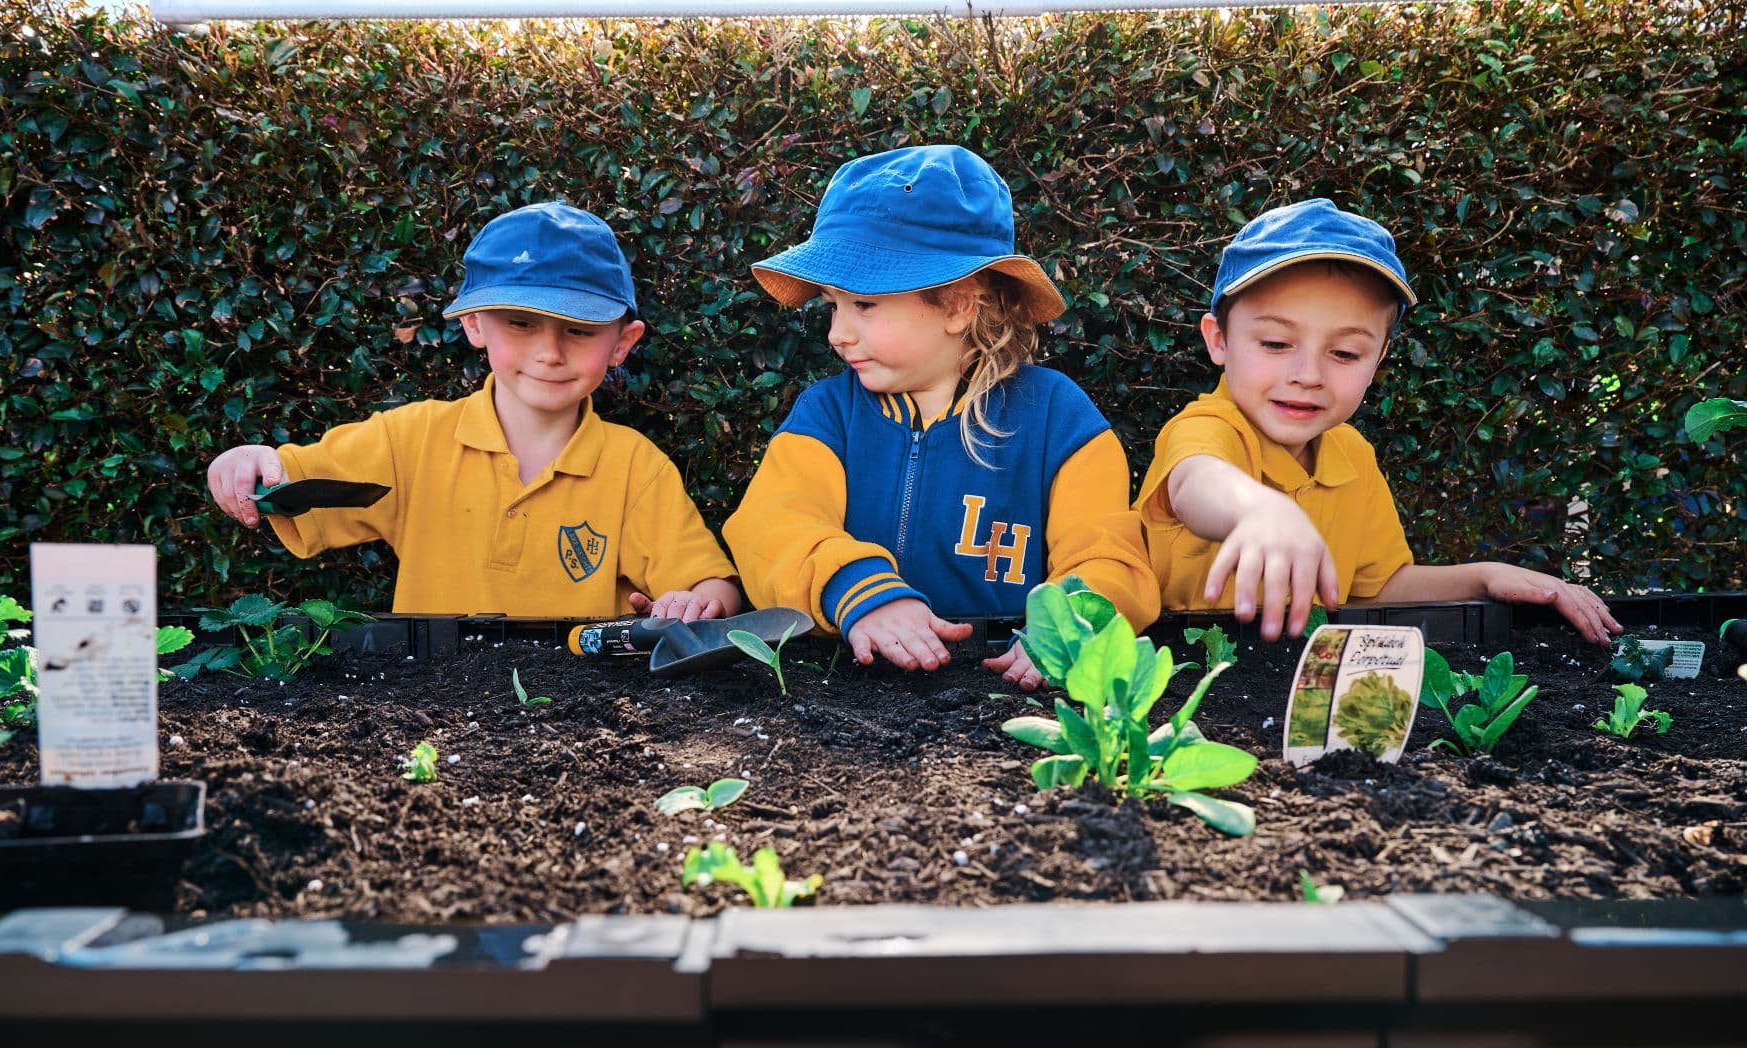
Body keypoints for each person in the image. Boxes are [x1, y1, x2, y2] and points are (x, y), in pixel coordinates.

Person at [724, 144, 1160, 689]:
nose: (838, 333)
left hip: (1014, 688)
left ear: (957, 304)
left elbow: (1111, 556)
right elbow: (771, 525)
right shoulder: (828, 415)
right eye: (833, 305)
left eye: (864, 305)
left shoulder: (1057, 418)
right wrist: (860, 593)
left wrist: (1072, 624)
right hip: (848, 686)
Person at [206, 201, 741, 620]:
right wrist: (247, 462)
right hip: (426, 714)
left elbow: (712, 587)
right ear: (474, 325)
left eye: (579, 329)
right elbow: (285, 482)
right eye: (521, 323)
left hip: (579, 724)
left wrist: (699, 605)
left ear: (623, 343)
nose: (550, 352)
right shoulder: (409, 441)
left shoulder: (634, 469)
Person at [1135, 198, 1621, 644]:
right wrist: (1258, 511)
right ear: (1218, 339)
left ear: (1379, 358)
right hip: (1181, 689)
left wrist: (1484, 577)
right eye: (1276, 344)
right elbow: (1197, 484)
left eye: (1344, 353)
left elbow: (1377, 589)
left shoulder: (1352, 455)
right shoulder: (1207, 427)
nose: (1308, 376)